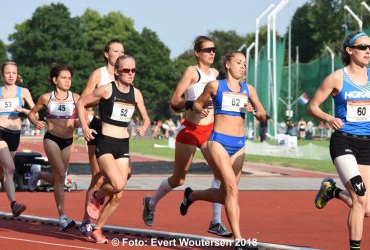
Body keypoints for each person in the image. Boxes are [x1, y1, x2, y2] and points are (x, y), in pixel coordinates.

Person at [142, 36, 233, 237]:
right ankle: (151, 203)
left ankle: (215, 221)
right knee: (178, 179)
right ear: (197, 53)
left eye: (214, 49)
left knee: (221, 175)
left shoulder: (217, 74)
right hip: (191, 130)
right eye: (207, 49)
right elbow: (174, 101)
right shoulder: (192, 72)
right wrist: (191, 104)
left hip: (210, 131)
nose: (212, 53)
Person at [307, 31, 370, 250]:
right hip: (343, 142)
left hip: (366, 144)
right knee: (359, 195)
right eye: (362, 47)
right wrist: (329, 118)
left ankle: (332, 191)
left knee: (367, 209)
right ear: (349, 50)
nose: (368, 50)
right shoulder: (337, 78)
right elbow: (312, 106)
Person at [180, 51, 266, 246]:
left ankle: (191, 195)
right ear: (227, 65)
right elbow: (197, 103)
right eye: (238, 62)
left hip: (239, 145)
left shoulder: (248, 89)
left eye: (244, 63)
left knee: (225, 194)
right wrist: (199, 109)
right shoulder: (215, 85)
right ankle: (239, 239)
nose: (243, 66)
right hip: (218, 141)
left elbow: (263, 114)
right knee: (232, 188)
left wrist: (255, 112)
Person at [77, 54, 150, 243]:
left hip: (123, 143)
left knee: (119, 193)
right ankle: (96, 196)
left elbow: (146, 117)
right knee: (117, 184)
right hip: (105, 142)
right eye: (127, 70)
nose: (131, 73)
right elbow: (81, 102)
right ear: (117, 71)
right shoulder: (107, 90)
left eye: (134, 70)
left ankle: (98, 229)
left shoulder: (136, 93)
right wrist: (85, 127)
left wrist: (144, 125)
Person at [78, 39, 125, 238]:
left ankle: (98, 199)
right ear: (107, 54)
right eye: (116, 51)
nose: (120, 54)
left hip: (118, 131)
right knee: (97, 176)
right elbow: (83, 99)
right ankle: (86, 221)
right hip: (98, 128)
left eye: (123, 51)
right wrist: (86, 124)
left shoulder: (125, 74)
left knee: (124, 175)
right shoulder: (99, 74)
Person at [27, 64, 80, 231]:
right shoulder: (45, 98)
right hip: (51, 139)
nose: (67, 81)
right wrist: (35, 122)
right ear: (55, 80)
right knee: (61, 174)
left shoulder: (76, 98)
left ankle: (39, 173)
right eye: (64, 78)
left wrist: (80, 123)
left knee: (60, 178)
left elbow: (83, 118)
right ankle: (62, 217)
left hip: (68, 141)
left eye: (69, 78)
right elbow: (31, 113)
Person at [0, 61, 35, 216]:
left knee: (1, 170)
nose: (11, 76)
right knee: (10, 168)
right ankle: (14, 204)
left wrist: (24, 110)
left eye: (14, 73)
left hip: (15, 135)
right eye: (8, 73)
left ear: (17, 74)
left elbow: (35, 112)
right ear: (2, 74)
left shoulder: (24, 92)